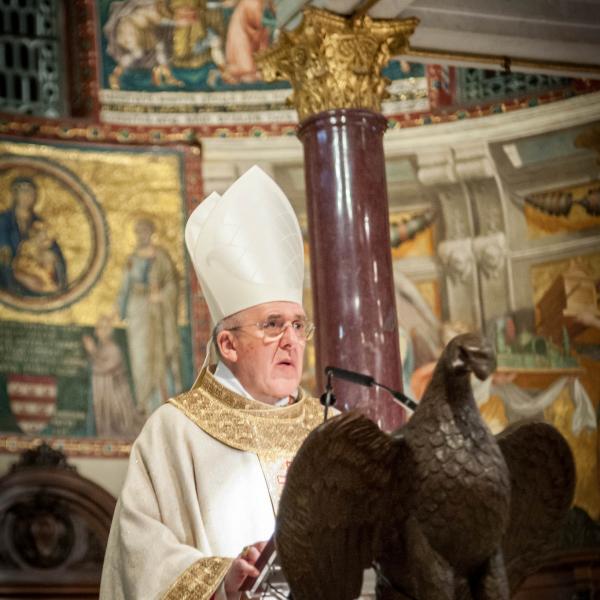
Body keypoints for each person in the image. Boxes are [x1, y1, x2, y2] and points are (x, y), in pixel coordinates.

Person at [100, 165, 323, 599]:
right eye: (273, 324)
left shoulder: (328, 427)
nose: (291, 341)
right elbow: (138, 555)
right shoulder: (175, 431)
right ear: (228, 344)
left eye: (298, 325)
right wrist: (222, 581)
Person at [117, 217, 182, 417]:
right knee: (140, 357)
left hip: (158, 313)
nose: (141, 235)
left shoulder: (160, 256)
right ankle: (144, 403)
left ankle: (163, 404)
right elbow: (125, 287)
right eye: (138, 231)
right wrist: (119, 311)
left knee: (160, 354)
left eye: (145, 231)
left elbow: (172, 283)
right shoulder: (132, 259)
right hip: (137, 311)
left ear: (151, 232)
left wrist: (161, 296)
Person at [0, 176, 67, 295]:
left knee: (49, 259)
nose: (28, 196)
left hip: (36, 266)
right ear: (15, 195)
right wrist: (6, 252)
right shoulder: (4, 219)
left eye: (31, 193)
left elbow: (53, 248)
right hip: (13, 266)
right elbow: (3, 240)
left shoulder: (38, 222)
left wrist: (52, 256)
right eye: (24, 192)